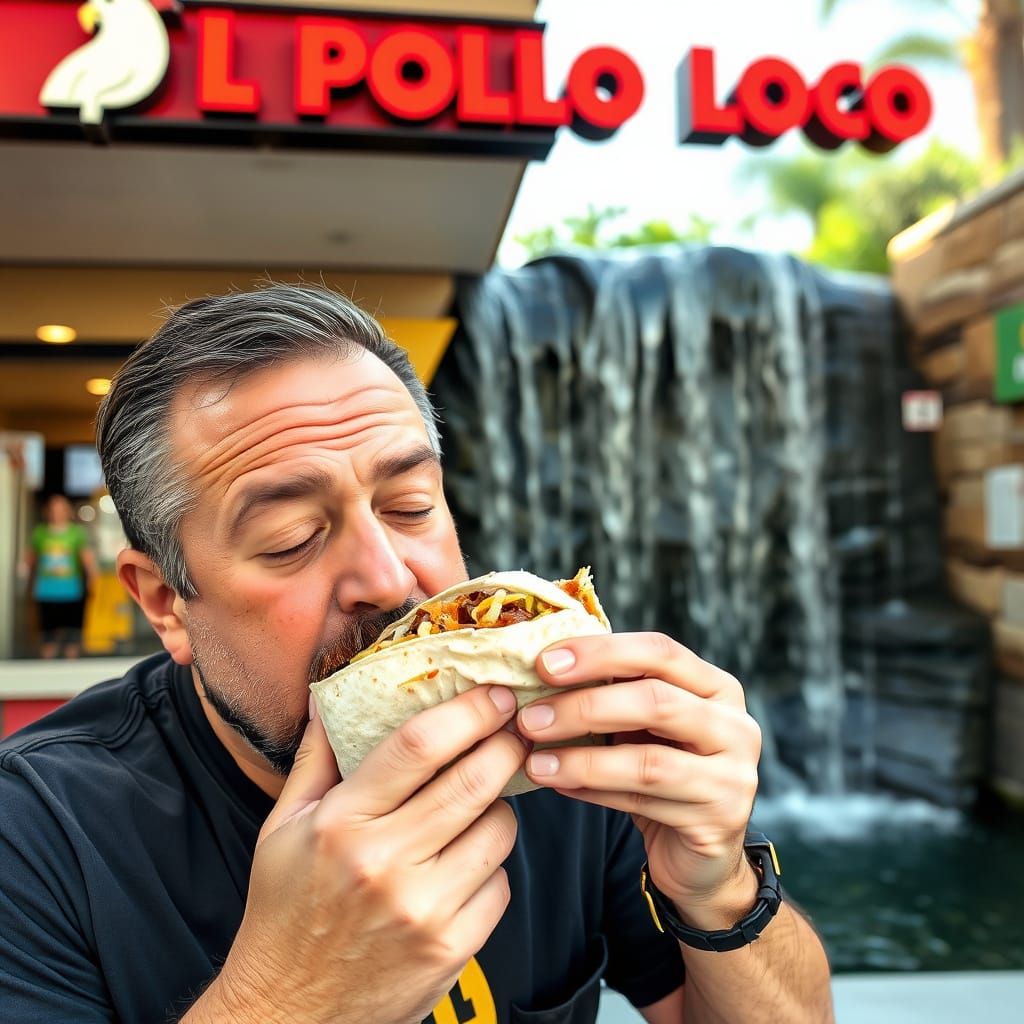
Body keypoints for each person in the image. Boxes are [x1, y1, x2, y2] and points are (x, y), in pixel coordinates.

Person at [0, 284, 833, 1024]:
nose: (391, 579)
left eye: (410, 505)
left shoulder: (577, 761)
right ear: (164, 603)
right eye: (291, 539)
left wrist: (720, 890)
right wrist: (287, 1000)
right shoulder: (38, 839)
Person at [24, 492, 97, 658]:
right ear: (48, 511)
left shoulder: (76, 533)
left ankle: (71, 669)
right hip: (46, 590)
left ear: (66, 511)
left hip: (71, 590)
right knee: (48, 634)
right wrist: (26, 580)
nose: (57, 513)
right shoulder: (40, 533)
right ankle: (47, 670)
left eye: (60, 509)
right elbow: (30, 560)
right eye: (53, 509)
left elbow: (87, 559)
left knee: (72, 632)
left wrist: (92, 578)